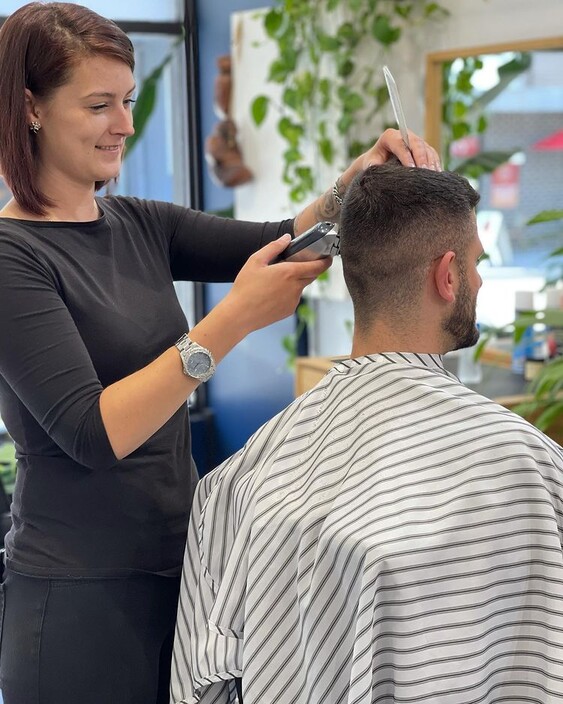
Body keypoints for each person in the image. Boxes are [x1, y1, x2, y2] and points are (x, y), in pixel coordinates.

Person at [0, 3, 441, 703]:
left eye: (130, 101)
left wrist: (355, 183)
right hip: (78, 597)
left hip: (179, 571)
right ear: (29, 107)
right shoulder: (11, 257)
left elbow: (274, 238)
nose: (124, 124)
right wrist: (230, 322)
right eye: (98, 105)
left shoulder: (136, 222)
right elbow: (91, 431)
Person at [171, 162, 563, 704]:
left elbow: (202, 678)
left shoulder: (239, 477)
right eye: (475, 263)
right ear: (446, 275)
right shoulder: (525, 463)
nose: (478, 280)